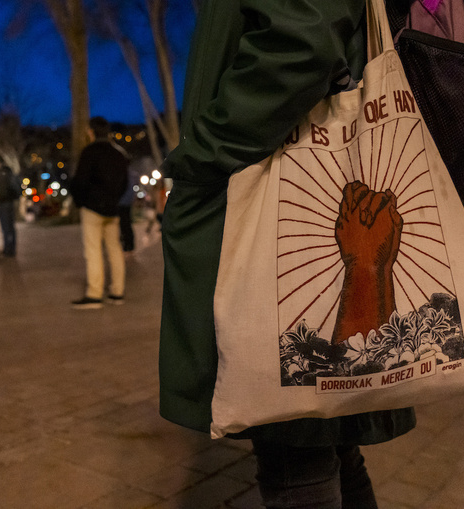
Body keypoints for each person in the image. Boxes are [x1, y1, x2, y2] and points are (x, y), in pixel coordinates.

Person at [159, 2, 416, 507]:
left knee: (294, 448)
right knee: (331, 442)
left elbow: (303, 37)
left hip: (270, 187)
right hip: (305, 187)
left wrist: (204, 150)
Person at [69, 117, 129, 309]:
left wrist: (80, 202)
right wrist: (115, 199)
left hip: (92, 208)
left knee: (93, 250)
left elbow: (80, 181)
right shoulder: (119, 154)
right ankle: (117, 292)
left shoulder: (89, 152)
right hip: (113, 208)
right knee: (115, 249)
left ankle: (95, 294)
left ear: (91, 132)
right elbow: (125, 183)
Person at [0, 155, 20, 258]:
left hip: (5, 203)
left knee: (7, 227)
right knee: (8, 228)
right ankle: (9, 249)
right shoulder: (6, 172)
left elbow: (3, 190)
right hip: (6, 202)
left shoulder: (3, 173)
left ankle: (9, 250)